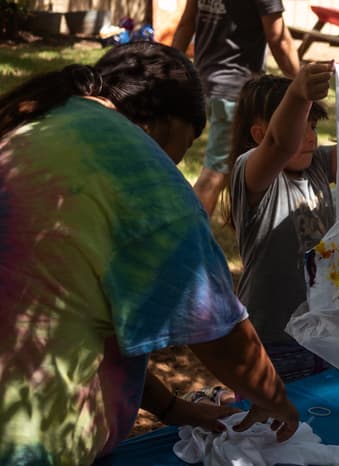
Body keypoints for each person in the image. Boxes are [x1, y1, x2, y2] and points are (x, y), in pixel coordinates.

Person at [0, 43, 299, 465]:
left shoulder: (40, 124)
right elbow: (212, 324)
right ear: (162, 123)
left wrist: (172, 408)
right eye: (184, 143)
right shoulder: (135, 165)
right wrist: (275, 400)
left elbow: (68, 310)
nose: (174, 165)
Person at [225, 63, 335, 382]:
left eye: (314, 126)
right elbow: (278, 145)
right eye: (302, 127)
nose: (311, 138)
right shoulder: (253, 173)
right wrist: (298, 95)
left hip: (322, 336)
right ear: (260, 134)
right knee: (272, 428)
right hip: (272, 343)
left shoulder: (316, 165)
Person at [173, 0, 301, 216]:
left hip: (206, 83)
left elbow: (186, 24)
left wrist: (170, 68)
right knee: (214, 175)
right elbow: (279, 41)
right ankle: (186, 238)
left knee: (246, 167)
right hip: (235, 92)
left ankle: (245, 228)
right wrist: (302, 85)